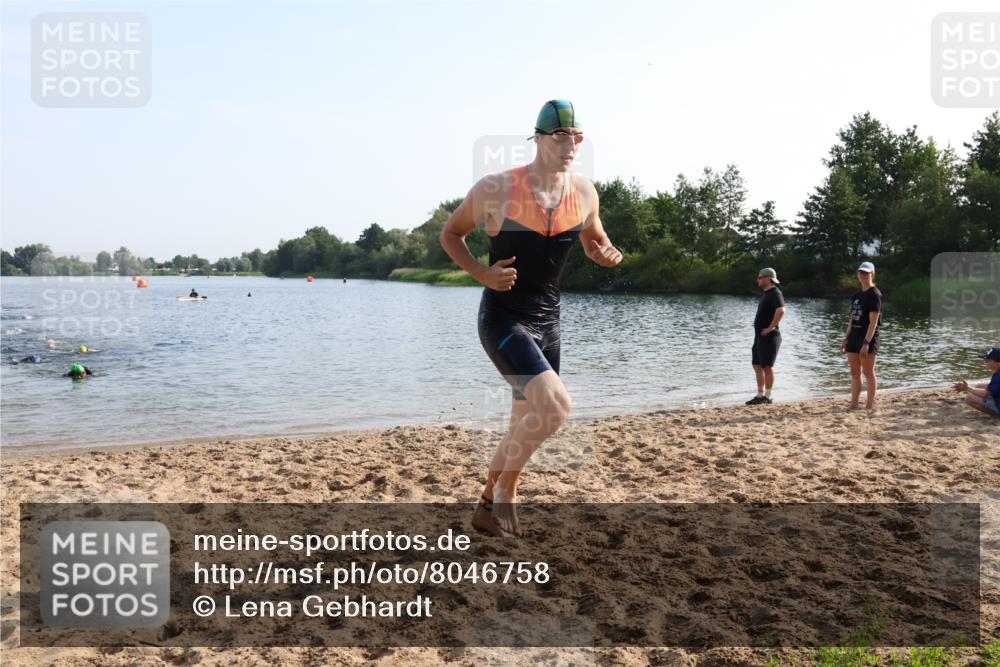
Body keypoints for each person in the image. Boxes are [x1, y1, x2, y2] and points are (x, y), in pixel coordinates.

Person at [440, 100, 622, 538]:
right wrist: (483, 273)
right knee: (555, 408)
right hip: (504, 320)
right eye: (560, 136)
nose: (570, 144)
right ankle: (508, 490)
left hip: (549, 322)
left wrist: (605, 254)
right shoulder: (495, 189)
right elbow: (451, 233)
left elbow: (595, 239)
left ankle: (485, 508)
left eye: (576, 136)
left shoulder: (584, 194)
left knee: (524, 422)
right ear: (538, 139)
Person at [840, 261, 882, 410]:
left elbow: (873, 322)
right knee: (854, 372)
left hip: (868, 338)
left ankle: (869, 405)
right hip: (854, 337)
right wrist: (846, 339)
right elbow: (852, 319)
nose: (863, 275)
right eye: (861, 273)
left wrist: (866, 343)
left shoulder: (874, 295)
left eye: (866, 273)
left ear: (872, 274)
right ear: (858, 275)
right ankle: (854, 404)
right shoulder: (856, 295)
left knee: (868, 372)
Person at [746, 268, 785, 405]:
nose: (758, 279)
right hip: (759, 337)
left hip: (770, 336)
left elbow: (781, 310)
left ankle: (768, 396)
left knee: (767, 366)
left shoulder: (775, 293)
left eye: (760, 277)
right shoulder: (766, 294)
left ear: (769, 278)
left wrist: (771, 327)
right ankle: (759, 394)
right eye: (758, 277)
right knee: (757, 365)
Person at [952, 348, 1000, 417]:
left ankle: (996, 414)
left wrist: (967, 388)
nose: (985, 362)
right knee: (979, 386)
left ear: (998, 363)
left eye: (988, 360)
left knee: (969, 399)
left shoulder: (998, 375)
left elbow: (985, 394)